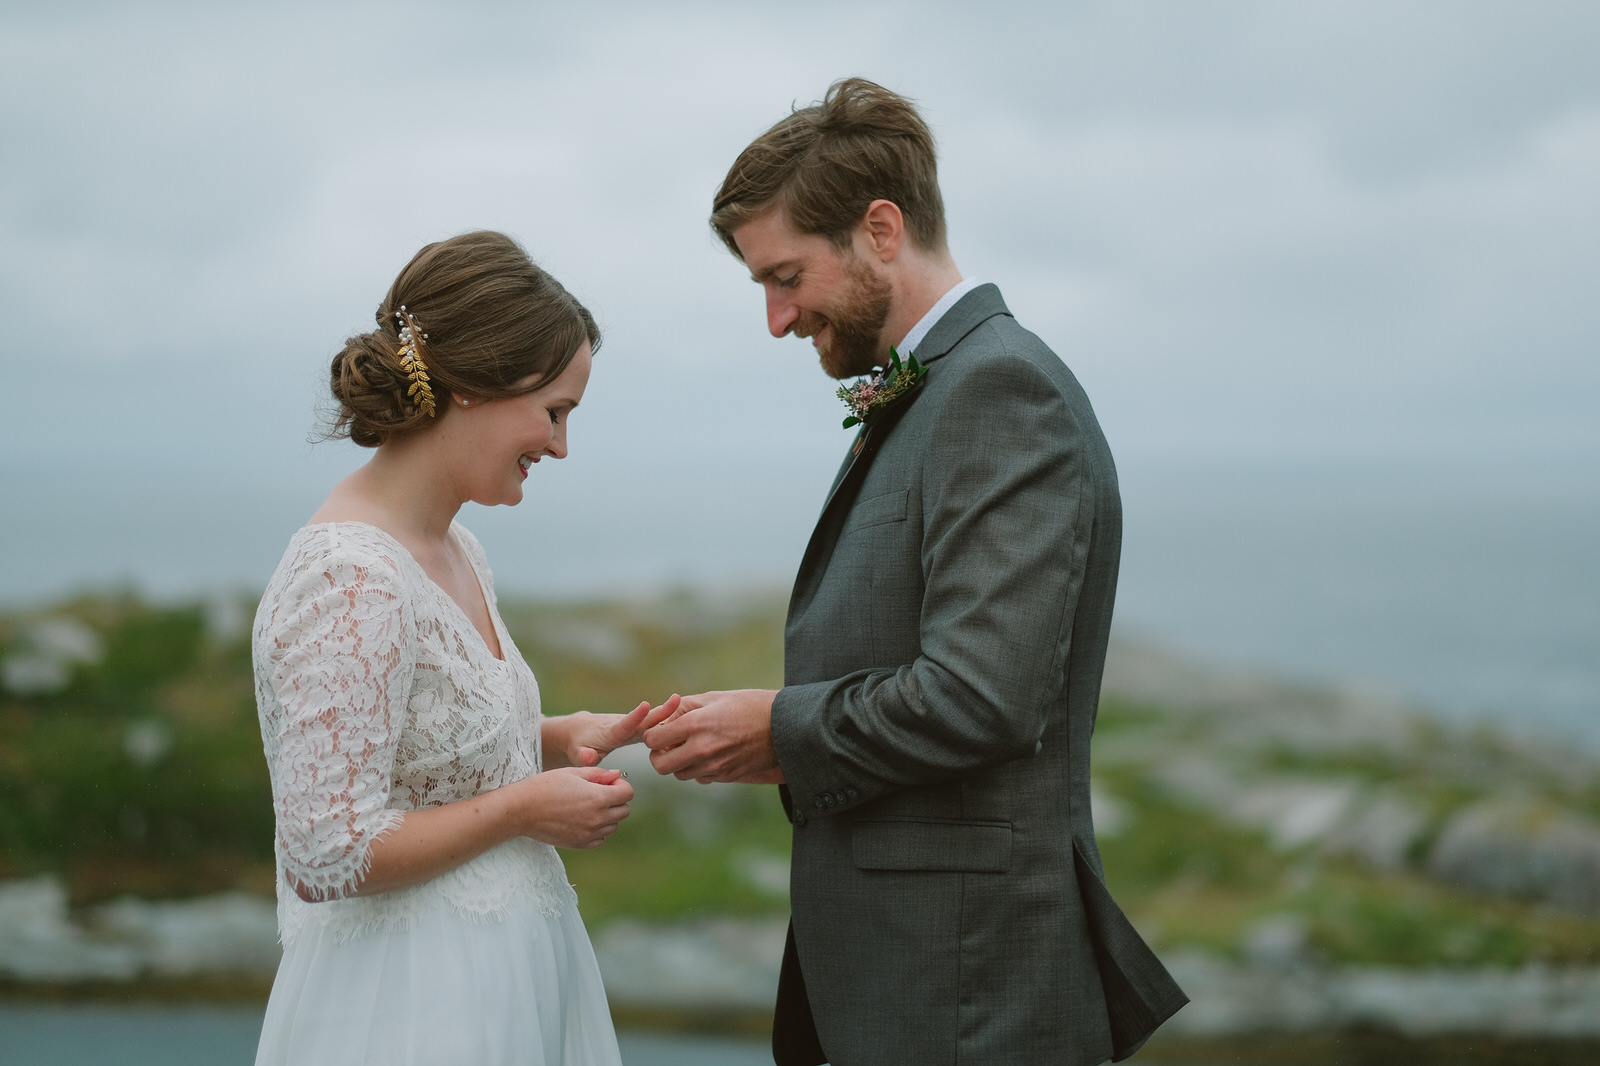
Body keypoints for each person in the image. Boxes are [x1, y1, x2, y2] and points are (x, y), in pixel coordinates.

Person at [643, 79, 1188, 1064]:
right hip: (918, 978)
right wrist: (777, 745)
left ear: (881, 229)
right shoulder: (940, 390)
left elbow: (981, 696)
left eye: (786, 274)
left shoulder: (1000, 392)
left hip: (968, 990)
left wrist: (779, 723)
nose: (773, 318)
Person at [252, 230, 667, 1065]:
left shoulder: (454, 547)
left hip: (503, 977)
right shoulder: (349, 576)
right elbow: (325, 849)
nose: (559, 446)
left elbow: (412, 744)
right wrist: (525, 805)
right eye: (554, 411)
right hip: (406, 1004)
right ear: (474, 386)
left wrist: (550, 736)